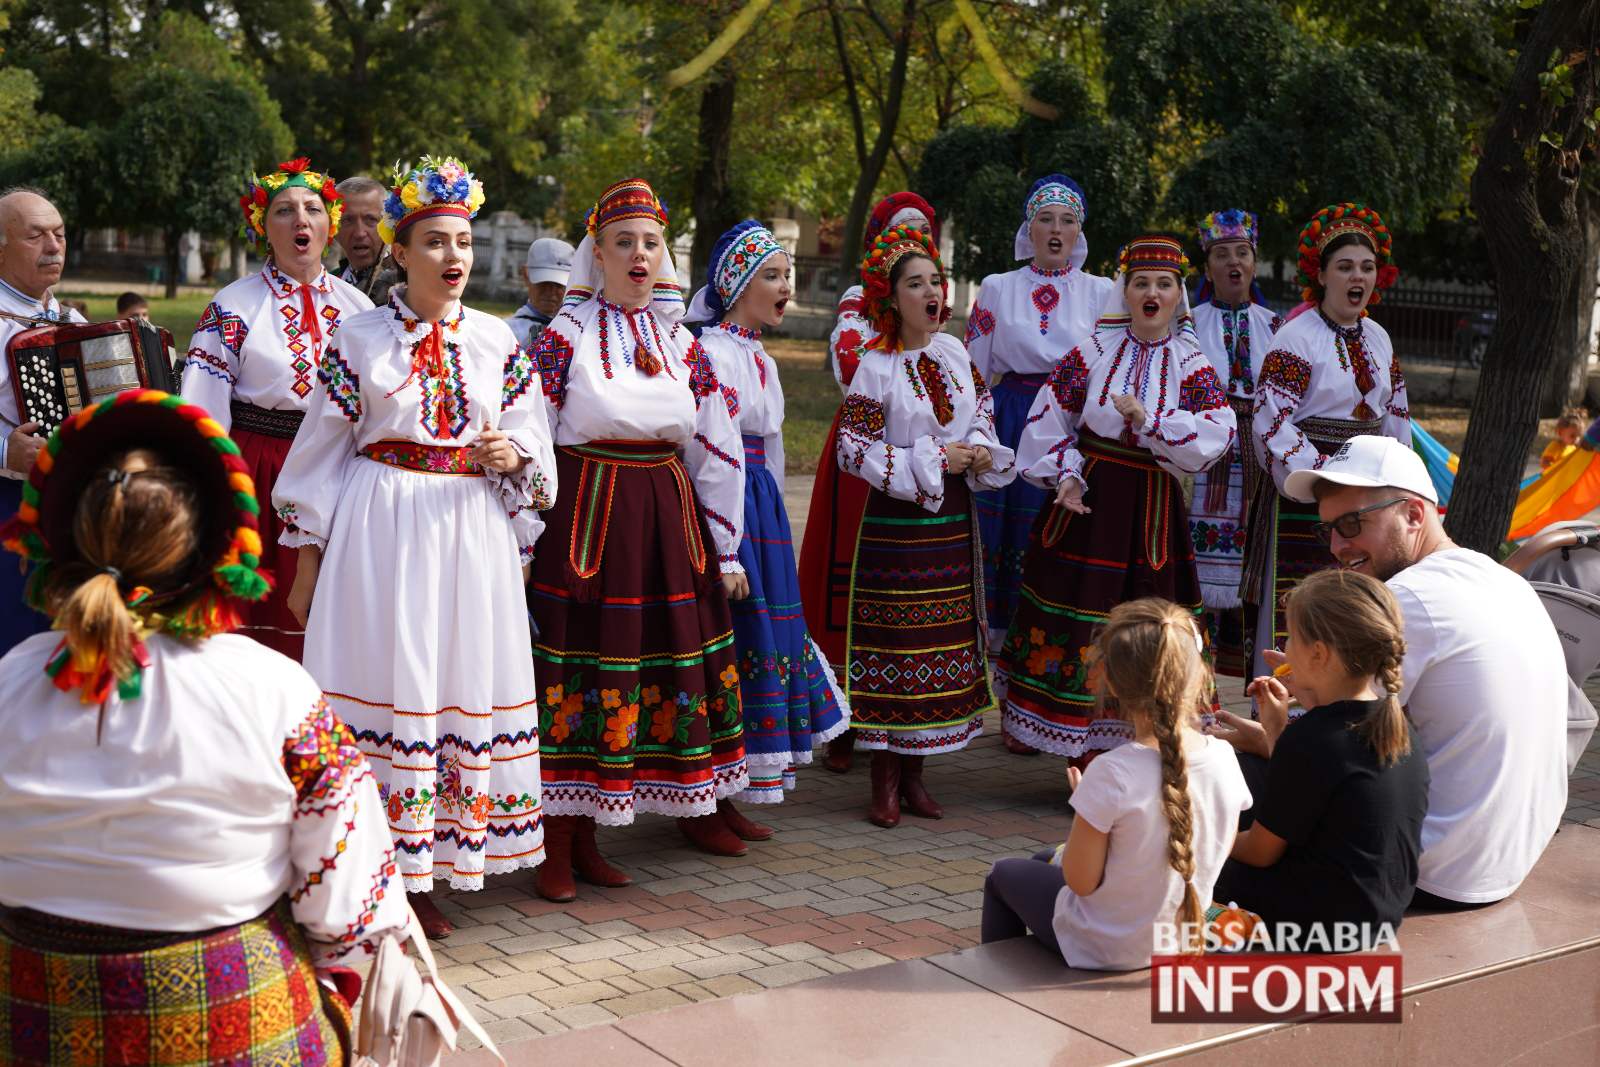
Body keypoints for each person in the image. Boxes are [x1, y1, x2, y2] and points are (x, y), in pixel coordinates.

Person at [0, 389, 408, 1064]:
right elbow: (355, 907)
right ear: (211, 549)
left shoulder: (14, 680)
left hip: (30, 1020)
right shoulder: (271, 688)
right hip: (239, 1028)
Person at [273, 157, 554, 939]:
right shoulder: (358, 339)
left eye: (462, 241)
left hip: (470, 531)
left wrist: (514, 460)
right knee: (390, 678)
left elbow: (534, 446)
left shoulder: (499, 341)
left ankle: (436, 858)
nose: (453, 257)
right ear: (400, 252)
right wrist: (304, 563)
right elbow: (320, 454)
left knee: (451, 678)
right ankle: (375, 865)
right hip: (381, 529)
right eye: (434, 242)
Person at [527, 178, 751, 901]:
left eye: (650, 243)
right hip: (588, 516)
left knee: (665, 657)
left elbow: (717, 443)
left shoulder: (683, 341)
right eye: (623, 242)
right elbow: (532, 429)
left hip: (666, 516)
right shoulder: (565, 335)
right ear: (598, 253)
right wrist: (527, 535)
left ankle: (691, 803)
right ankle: (561, 840)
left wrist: (722, 545)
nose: (638, 254)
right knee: (583, 668)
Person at [1276, 435, 1568, 908]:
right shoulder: (1497, 577)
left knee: (1217, 801)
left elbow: (1328, 747)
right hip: (1505, 861)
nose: (1336, 546)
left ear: (1414, 515)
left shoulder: (1408, 598)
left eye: (1352, 524)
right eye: (1327, 529)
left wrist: (1278, 725)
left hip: (1431, 871)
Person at [998, 235, 1235, 764]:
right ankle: (1077, 745)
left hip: (1152, 506)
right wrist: (1066, 474)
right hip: (1094, 499)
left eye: (1164, 284)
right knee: (1082, 612)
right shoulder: (1093, 350)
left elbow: (1219, 432)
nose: (1152, 292)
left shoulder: (1191, 362)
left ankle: (1146, 739)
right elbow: (1048, 417)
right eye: (1141, 282)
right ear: (1125, 291)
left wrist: (1151, 423)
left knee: (1150, 617)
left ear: (1178, 295)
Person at [838, 223, 1016, 828]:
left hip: (951, 524)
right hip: (896, 526)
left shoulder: (956, 354)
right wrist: (936, 459)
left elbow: (984, 417)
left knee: (939, 640)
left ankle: (916, 776)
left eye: (935, 281)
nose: (932, 292)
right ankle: (883, 778)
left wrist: (984, 450)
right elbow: (850, 448)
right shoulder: (877, 367)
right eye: (916, 284)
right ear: (891, 299)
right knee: (896, 642)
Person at [981, 599, 1250, 969]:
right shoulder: (1224, 757)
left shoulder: (1111, 772)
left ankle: (998, 994)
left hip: (1108, 948)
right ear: (1200, 674)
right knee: (1040, 861)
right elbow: (1214, 844)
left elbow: (1080, 882)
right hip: (1178, 938)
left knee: (1002, 875)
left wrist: (1088, 806)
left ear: (1110, 678)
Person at [687, 220, 849, 823]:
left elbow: (773, 447)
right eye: (772, 277)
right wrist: (726, 533)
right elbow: (713, 447)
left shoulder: (760, 358)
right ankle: (712, 794)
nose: (786, 288)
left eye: (789, 277)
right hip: (730, 507)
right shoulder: (710, 352)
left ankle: (736, 788)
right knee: (738, 632)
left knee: (769, 633)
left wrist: (777, 512)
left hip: (762, 507)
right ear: (735, 286)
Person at [180, 157, 373, 660]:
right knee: (257, 618)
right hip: (260, 470)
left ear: (330, 225)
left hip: (339, 474)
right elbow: (201, 408)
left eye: (313, 208)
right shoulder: (233, 305)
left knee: (334, 621)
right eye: (284, 211)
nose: (300, 220)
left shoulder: (362, 311)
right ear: (263, 227)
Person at [965, 175, 1113, 747]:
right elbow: (977, 369)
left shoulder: (1102, 291)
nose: (1056, 230)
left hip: (1072, 425)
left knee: (1054, 554)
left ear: (1079, 232)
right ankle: (1007, 704)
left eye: (1067, 221)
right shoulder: (999, 286)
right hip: (1011, 418)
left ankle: (1045, 701)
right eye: (1046, 219)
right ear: (1029, 229)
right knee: (1005, 555)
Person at [799, 191, 939, 775]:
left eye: (921, 231)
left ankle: (907, 717)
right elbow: (853, 368)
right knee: (851, 578)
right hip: (867, 450)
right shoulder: (860, 302)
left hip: (925, 449)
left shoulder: (933, 312)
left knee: (907, 584)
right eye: (898, 231)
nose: (910, 240)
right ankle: (843, 718)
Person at [1210, 569, 1428, 942]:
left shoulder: (1315, 739)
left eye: (1291, 637)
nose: (1286, 648)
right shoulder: (1396, 725)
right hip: (1378, 916)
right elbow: (1313, 786)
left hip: (1318, 924)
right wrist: (1277, 729)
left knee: (1188, 861)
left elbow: (1259, 853)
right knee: (1252, 771)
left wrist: (1200, 831)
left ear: (1318, 654)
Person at [1244, 202, 1408, 681]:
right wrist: (1323, 477)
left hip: (1366, 489)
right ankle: (1286, 709)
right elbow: (1270, 419)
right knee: (1301, 599)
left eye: (1367, 267)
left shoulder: (1378, 337)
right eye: (1345, 267)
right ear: (1322, 274)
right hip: (1309, 489)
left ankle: (1349, 693)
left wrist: (1393, 477)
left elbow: (1395, 413)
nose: (1358, 277)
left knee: (1355, 598)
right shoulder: (1297, 338)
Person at [1186, 210, 1281, 676]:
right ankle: (1192, 664)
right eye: (1221, 255)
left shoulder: (1277, 327)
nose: (1233, 263)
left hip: (1259, 452)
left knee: (1254, 552)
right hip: (1206, 449)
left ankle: (1246, 671)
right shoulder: (1187, 324)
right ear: (1207, 269)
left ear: (1254, 263)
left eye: (1241, 253)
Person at [0, 187, 85, 655]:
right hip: (7, 509)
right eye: (36, 236)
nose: (54, 247)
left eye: (60, 234)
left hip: (72, 513)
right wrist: (4, 451)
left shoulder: (71, 319)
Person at [333, 174, 396, 306]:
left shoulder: (407, 286)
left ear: (390, 224)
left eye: (371, 220)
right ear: (333, 228)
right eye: (347, 220)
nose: (360, 233)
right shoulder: (328, 283)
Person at [509, 236, 575, 348]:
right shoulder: (508, 333)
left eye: (559, 285)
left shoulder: (579, 330)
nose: (551, 291)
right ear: (526, 275)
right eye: (543, 282)